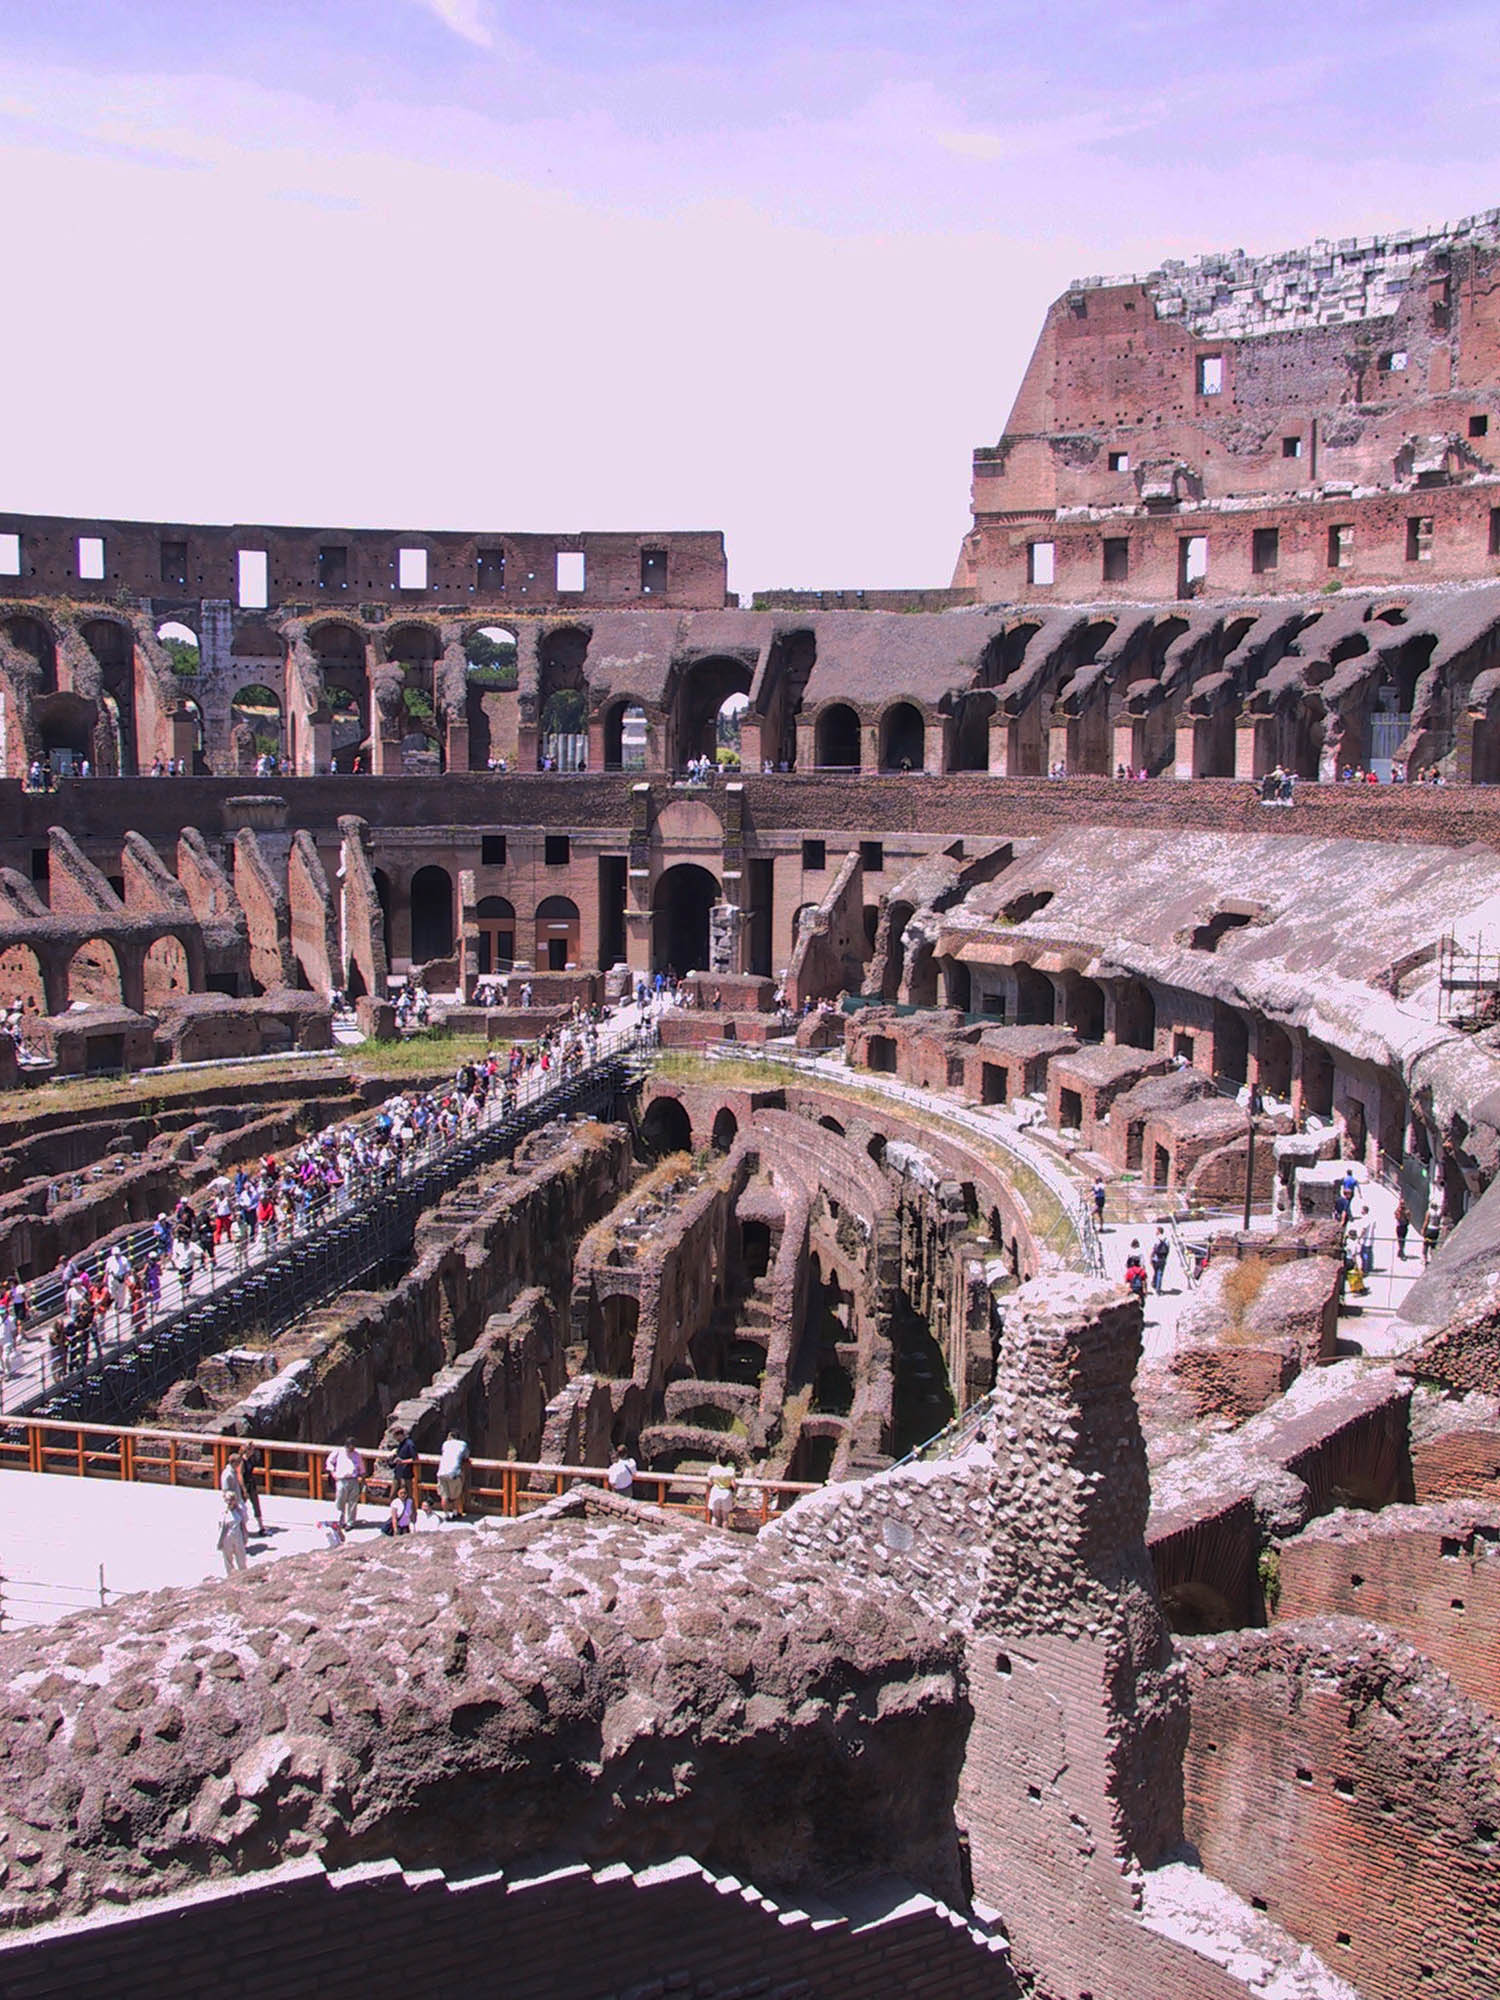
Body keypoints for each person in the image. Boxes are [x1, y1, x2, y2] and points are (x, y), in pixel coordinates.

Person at [325, 1437, 364, 1530]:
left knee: (353, 1502)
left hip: (353, 1479)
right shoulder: (338, 1452)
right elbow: (329, 1462)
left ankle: (350, 1522)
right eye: (351, 1446)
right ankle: (339, 1521)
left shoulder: (357, 1455)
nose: (352, 1448)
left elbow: (361, 1467)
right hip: (342, 1479)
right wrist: (333, 1473)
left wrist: (363, 1478)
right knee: (340, 1501)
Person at [436, 1431, 469, 1518]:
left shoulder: (445, 1444)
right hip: (453, 1472)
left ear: (450, 1436)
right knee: (455, 1495)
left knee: (444, 1495)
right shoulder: (463, 1444)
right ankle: (455, 1513)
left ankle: (446, 1515)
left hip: (441, 1472)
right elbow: (466, 1456)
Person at [707, 1455, 737, 1528]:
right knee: (725, 1518)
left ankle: (714, 1531)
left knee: (715, 1516)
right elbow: (733, 1485)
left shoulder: (713, 1469)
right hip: (726, 1492)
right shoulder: (730, 1470)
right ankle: (725, 1533)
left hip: (715, 1491)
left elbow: (710, 1482)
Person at [1149, 1228, 1170, 1295]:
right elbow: (1168, 1250)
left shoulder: (1156, 1239)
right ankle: (1158, 1290)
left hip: (1156, 1259)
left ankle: (1154, 1284)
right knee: (1160, 1274)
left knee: (1155, 1272)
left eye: (1156, 1231)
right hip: (1162, 1259)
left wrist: (1151, 1258)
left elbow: (1153, 1250)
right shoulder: (1167, 1240)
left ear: (1158, 1232)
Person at [1394, 1196, 1411, 1261]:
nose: (1402, 1205)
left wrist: (1406, 1216)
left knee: (1403, 1240)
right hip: (1399, 1226)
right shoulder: (1398, 1210)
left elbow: (1409, 1219)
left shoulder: (1407, 1211)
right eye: (1401, 1204)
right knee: (1400, 1239)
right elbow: (1397, 1217)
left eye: (1403, 1204)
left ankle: (1400, 1250)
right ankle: (1401, 1251)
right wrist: (1400, 1213)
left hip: (1404, 1226)